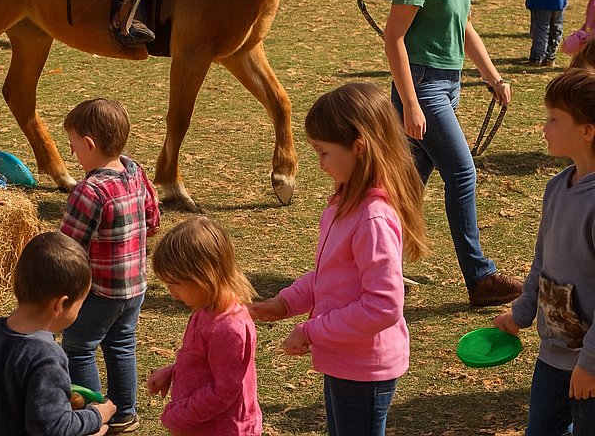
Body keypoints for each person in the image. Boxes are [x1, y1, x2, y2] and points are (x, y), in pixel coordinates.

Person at [249, 83, 427, 436]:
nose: (319, 164)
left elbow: (383, 306)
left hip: (364, 366)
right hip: (346, 358)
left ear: (358, 148)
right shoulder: (344, 204)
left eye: (324, 153)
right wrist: (285, 303)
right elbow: (329, 275)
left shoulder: (372, 217)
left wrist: (311, 330)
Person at [383, 0, 522, 306]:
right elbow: (394, 39)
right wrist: (409, 102)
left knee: (405, 187)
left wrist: (493, 76)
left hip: (449, 83)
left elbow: (463, 23)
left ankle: (377, 268)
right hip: (423, 87)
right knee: (462, 173)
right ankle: (480, 277)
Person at [492, 69, 595, 436]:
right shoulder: (558, 187)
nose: (544, 127)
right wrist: (521, 313)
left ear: (587, 130)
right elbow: (542, 263)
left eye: (553, 119)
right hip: (557, 348)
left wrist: (594, 364)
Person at [0, 231, 117, 436]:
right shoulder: (46, 357)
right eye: (80, 303)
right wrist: (96, 416)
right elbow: (51, 427)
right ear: (61, 304)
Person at [59, 99, 159, 433]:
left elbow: (67, 246)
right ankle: (124, 413)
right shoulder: (135, 171)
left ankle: (93, 416)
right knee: (121, 345)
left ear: (89, 144)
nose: (73, 155)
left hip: (100, 290)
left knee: (78, 347)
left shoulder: (89, 190)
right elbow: (153, 219)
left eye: (73, 147)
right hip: (135, 288)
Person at [147, 216, 261, 436]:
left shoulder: (229, 329)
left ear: (203, 277)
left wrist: (180, 415)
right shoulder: (205, 309)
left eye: (175, 284)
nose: (171, 293)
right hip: (201, 423)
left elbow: (225, 390)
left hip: (221, 428)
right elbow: (202, 361)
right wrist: (173, 371)